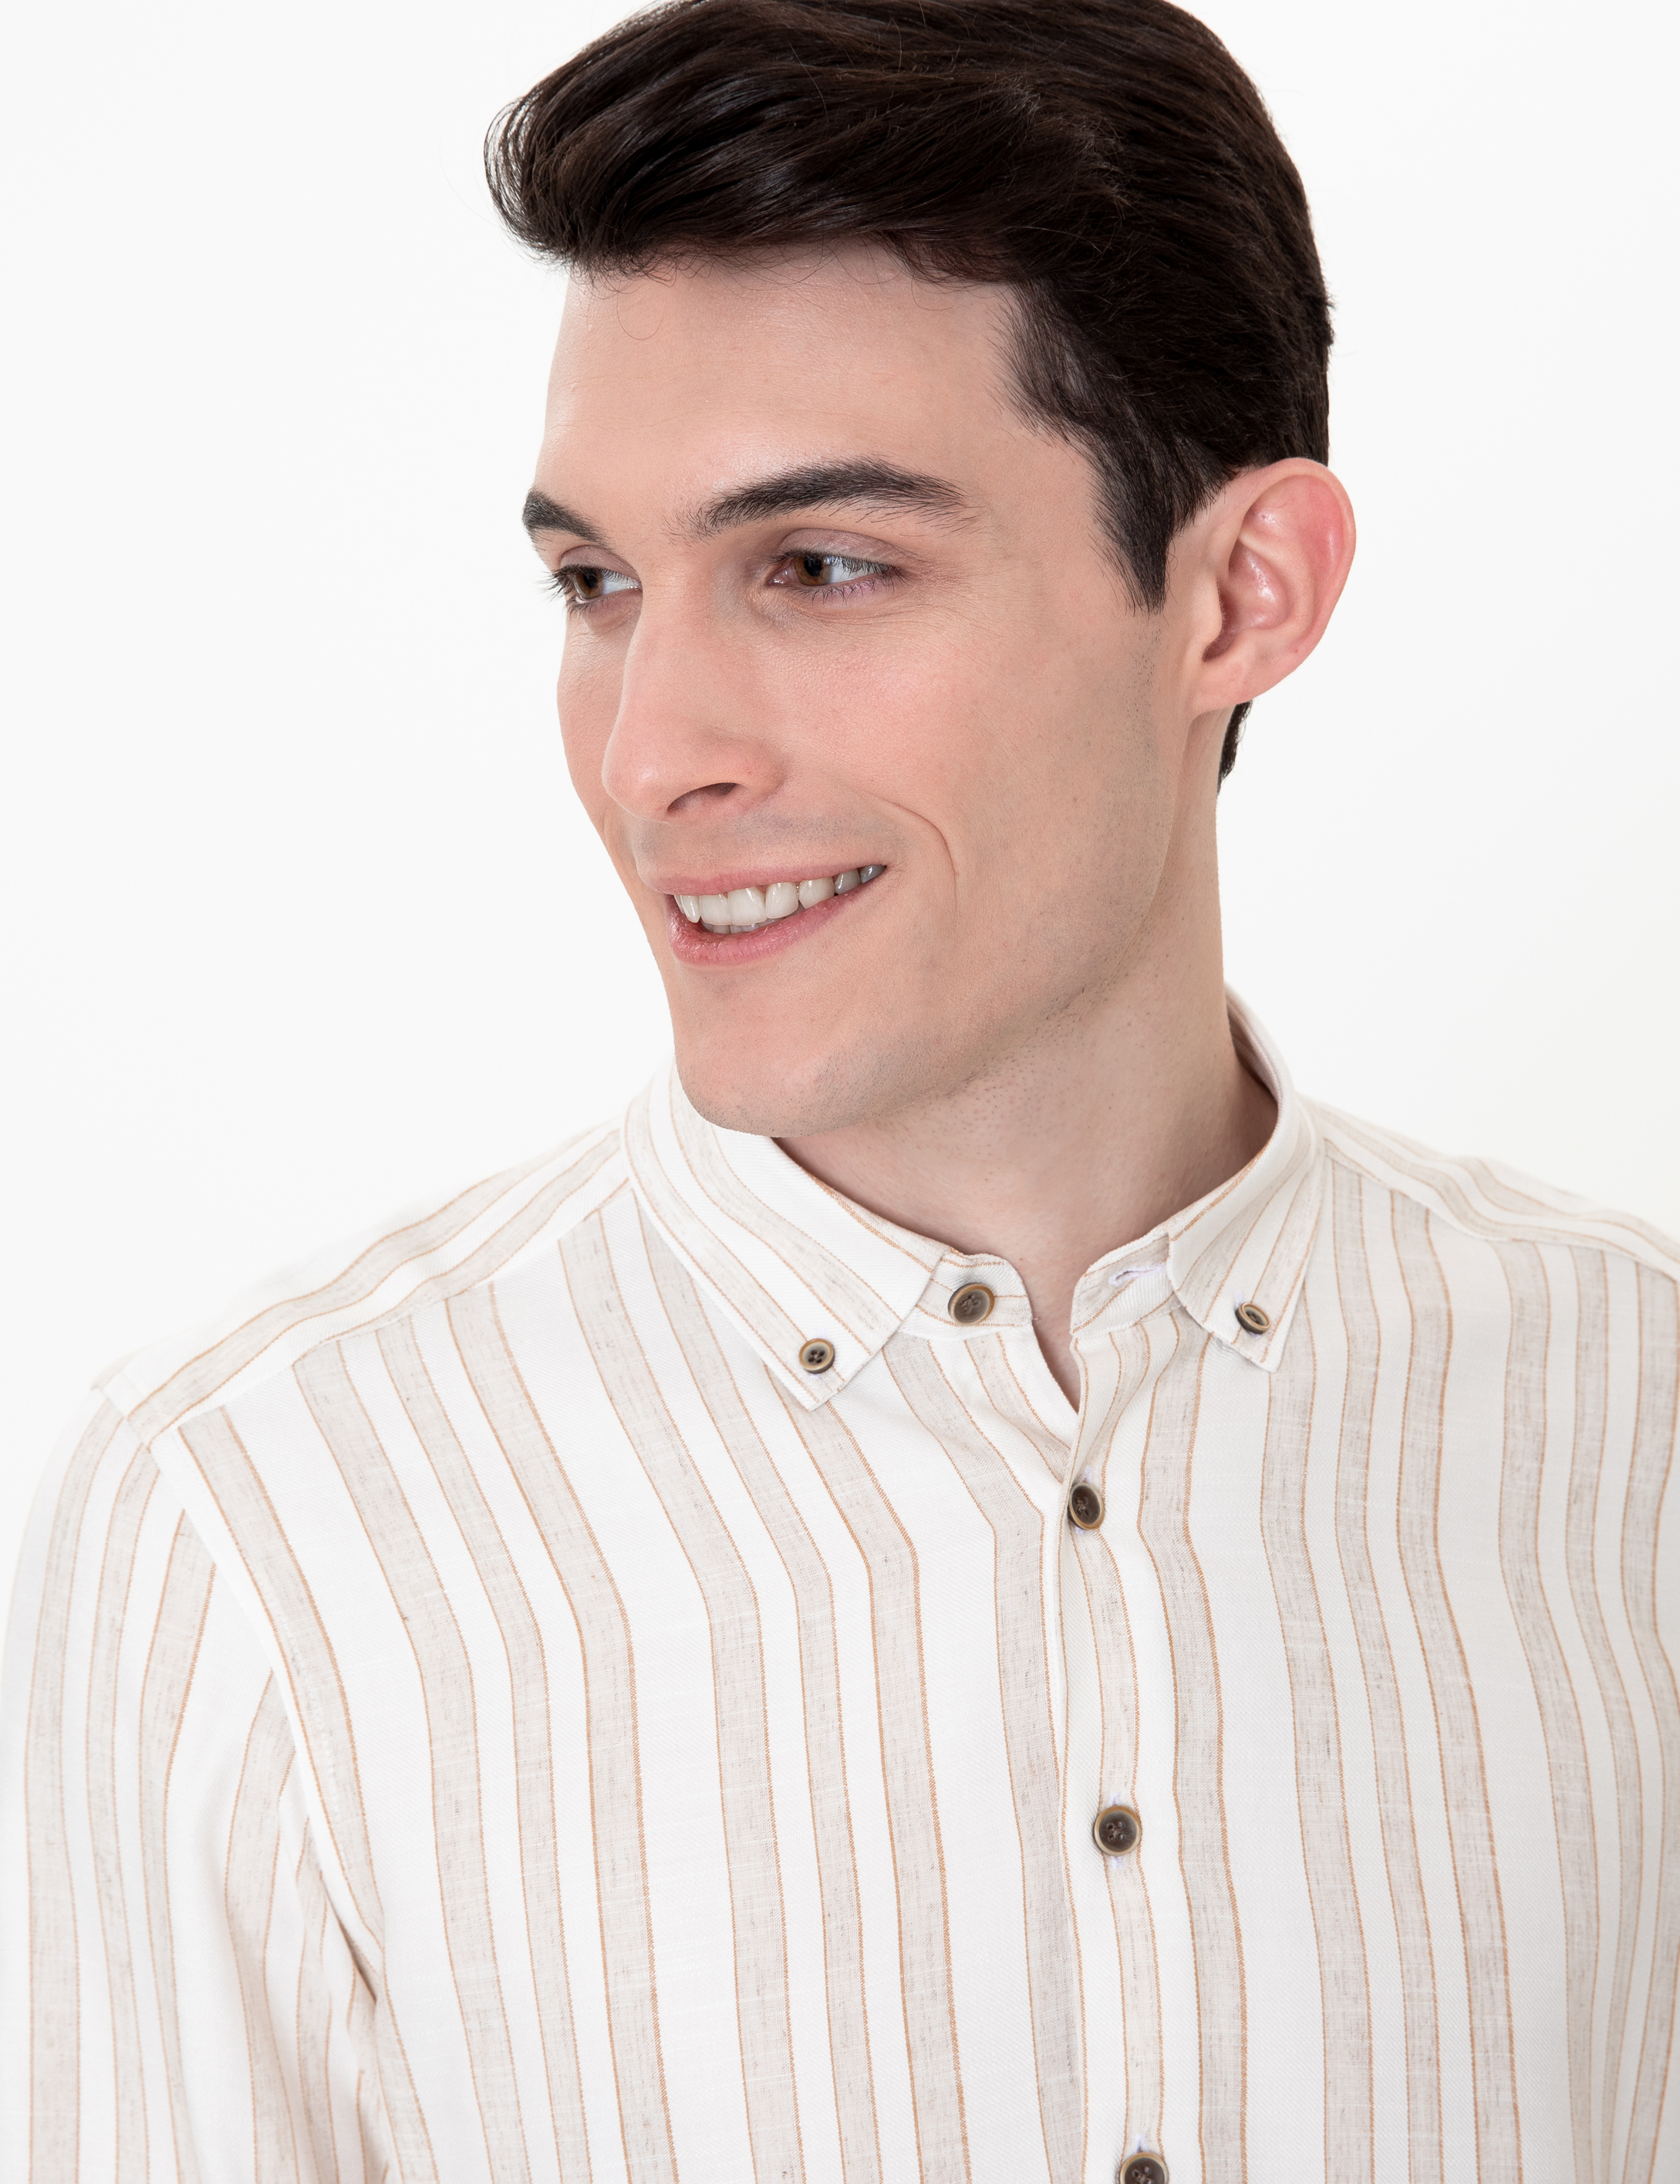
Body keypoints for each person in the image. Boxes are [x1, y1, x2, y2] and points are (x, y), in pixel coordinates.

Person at [4, 0, 1676, 2177]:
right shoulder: (259, 1524)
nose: (650, 753)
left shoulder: (1638, 1426)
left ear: (1239, 596)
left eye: (819, 568)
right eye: (598, 585)